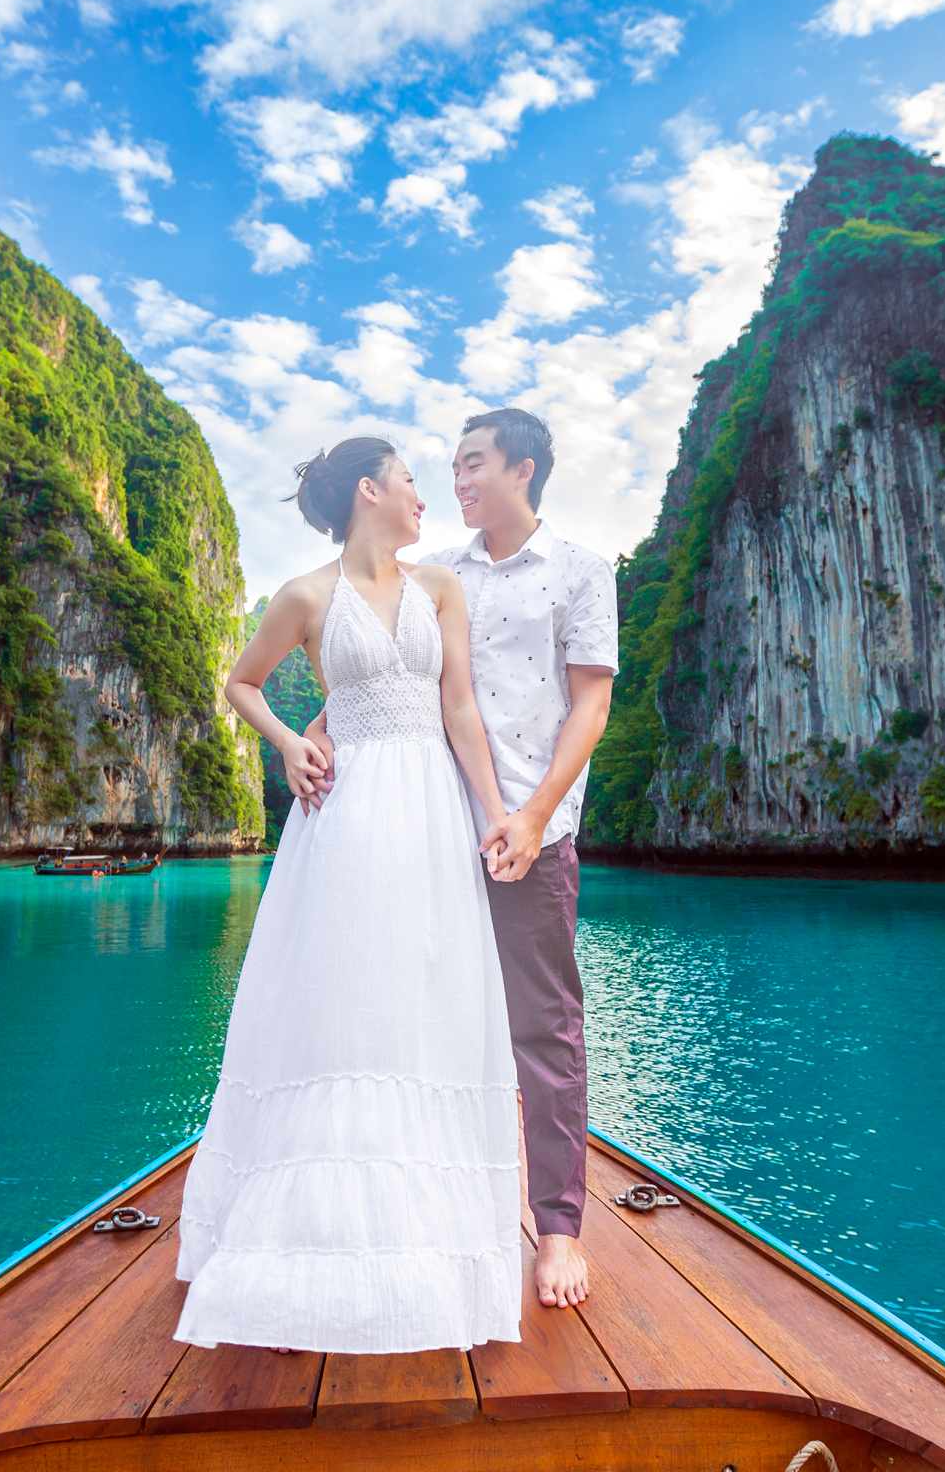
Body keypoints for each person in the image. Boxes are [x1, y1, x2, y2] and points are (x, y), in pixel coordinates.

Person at [172, 437, 526, 1354]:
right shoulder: (306, 596)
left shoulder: (439, 589)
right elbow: (240, 683)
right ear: (371, 490)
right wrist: (291, 745)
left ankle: (424, 1241)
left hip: (432, 816)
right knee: (340, 1010)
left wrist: (494, 813)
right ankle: (310, 1242)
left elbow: (460, 713)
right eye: (412, 480)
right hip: (349, 811)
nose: (424, 497)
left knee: (425, 1005)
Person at [309, 408, 617, 1310]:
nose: (457, 480)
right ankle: (418, 1208)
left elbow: (590, 709)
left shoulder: (581, 573)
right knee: (411, 1020)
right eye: (448, 467)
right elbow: (390, 677)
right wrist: (315, 740)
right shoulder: (435, 576)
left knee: (544, 1032)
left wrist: (532, 815)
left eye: (472, 463)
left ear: (523, 468)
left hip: (533, 832)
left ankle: (556, 1230)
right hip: (425, 833)